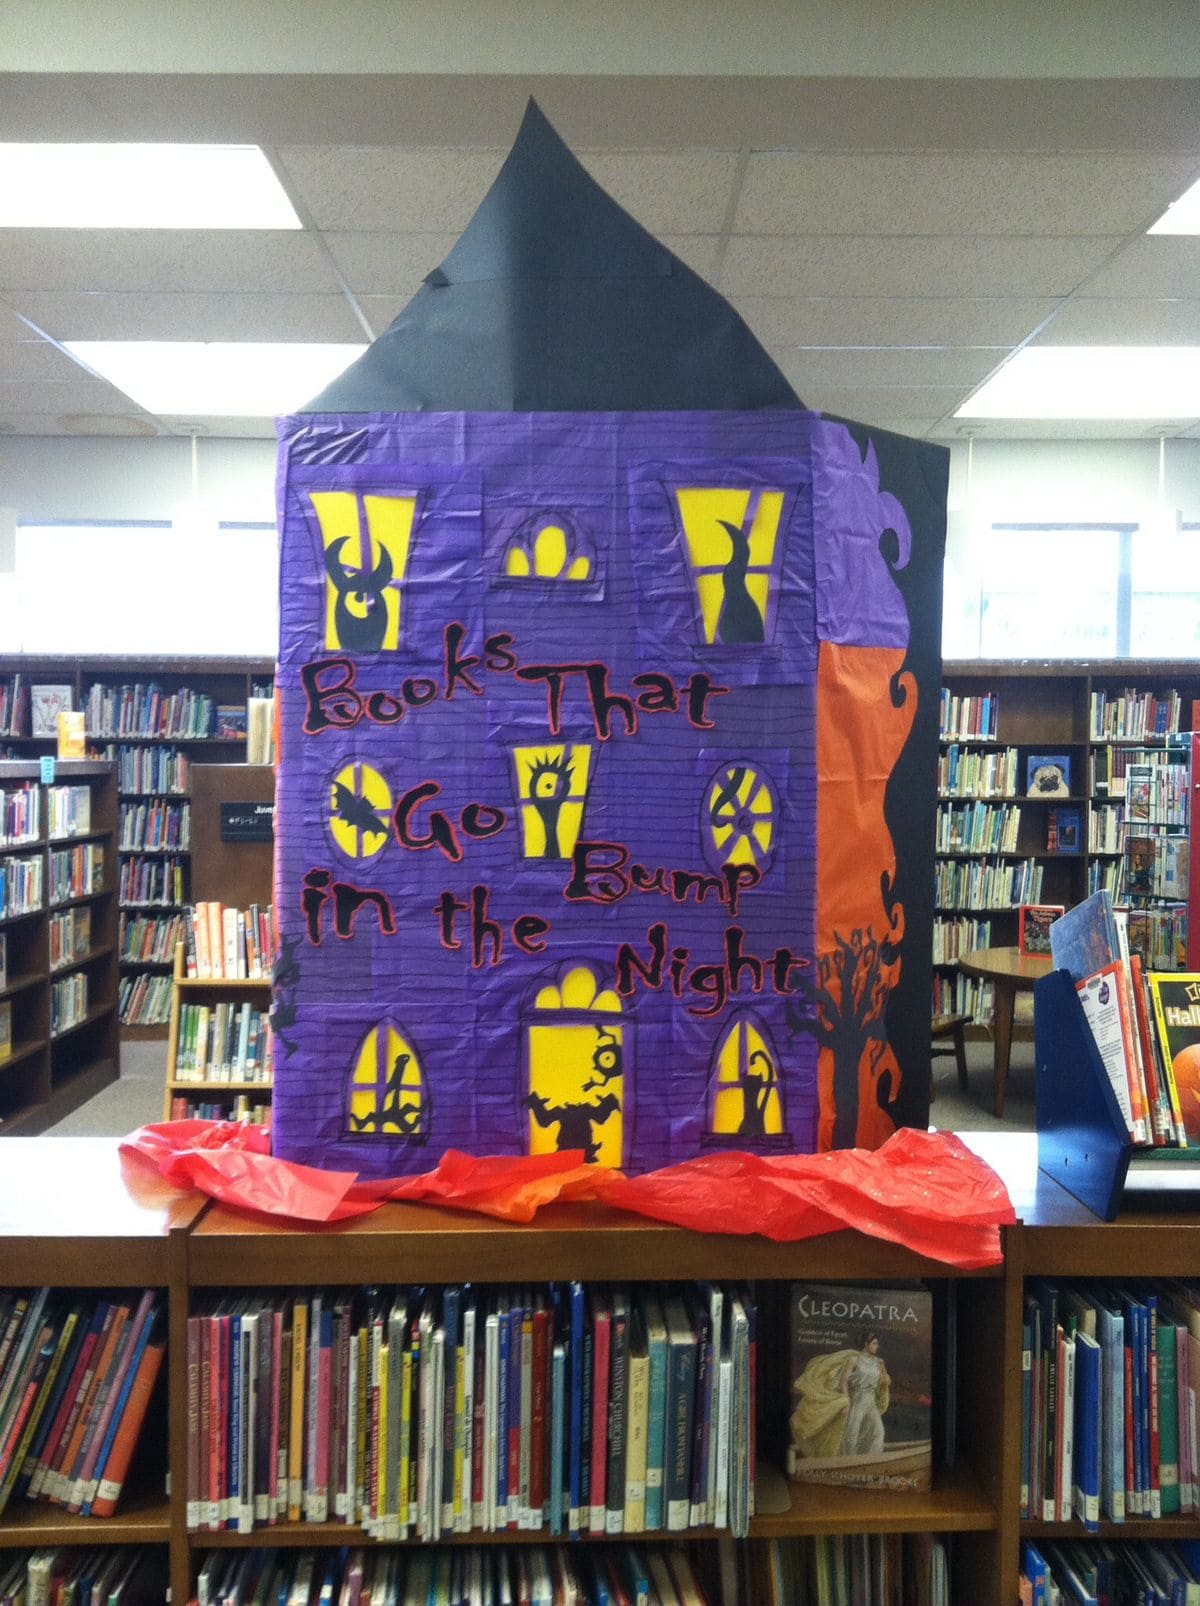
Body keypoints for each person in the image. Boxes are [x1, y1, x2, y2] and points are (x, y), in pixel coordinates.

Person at [790, 1332, 891, 1461]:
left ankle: (871, 1461)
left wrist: (884, 1379)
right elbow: (844, 1381)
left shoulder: (879, 1362)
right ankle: (850, 1461)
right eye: (874, 1343)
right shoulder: (854, 1359)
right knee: (851, 1434)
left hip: (870, 1401)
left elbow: (884, 1381)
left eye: (877, 1343)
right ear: (866, 1344)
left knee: (878, 1432)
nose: (877, 1346)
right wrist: (846, 1402)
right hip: (856, 1399)